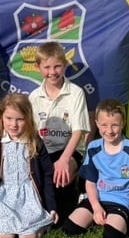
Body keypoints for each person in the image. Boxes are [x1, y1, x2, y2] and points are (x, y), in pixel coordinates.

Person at [62, 98, 129, 238]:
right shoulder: (93, 147)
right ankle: (97, 216)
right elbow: (90, 182)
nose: (109, 131)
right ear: (97, 123)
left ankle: (116, 218)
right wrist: (95, 206)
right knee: (70, 229)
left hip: (122, 200)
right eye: (104, 125)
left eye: (115, 125)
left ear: (123, 123)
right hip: (97, 198)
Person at [0, 93, 58, 238]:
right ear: (1, 117)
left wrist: (51, 206)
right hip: (5, 196)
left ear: (28, 119)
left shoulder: (35, 142)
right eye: (9, 118)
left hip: (29, 197)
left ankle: (38, 225)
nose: (14, 124)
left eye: (20, 119)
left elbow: (47, 175)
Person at [28, 41, 91, 218]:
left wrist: (64, 159)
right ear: (37, 67)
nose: (52, 72)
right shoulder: (34, 96)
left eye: (57, 66)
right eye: (47, 67)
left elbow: (78, 131)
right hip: (45, 150)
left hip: (69, 151)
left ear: (64, 66)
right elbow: (31, 132)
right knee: (38, 179)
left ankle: (75, 191)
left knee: (60, 175)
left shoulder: (75, 92)